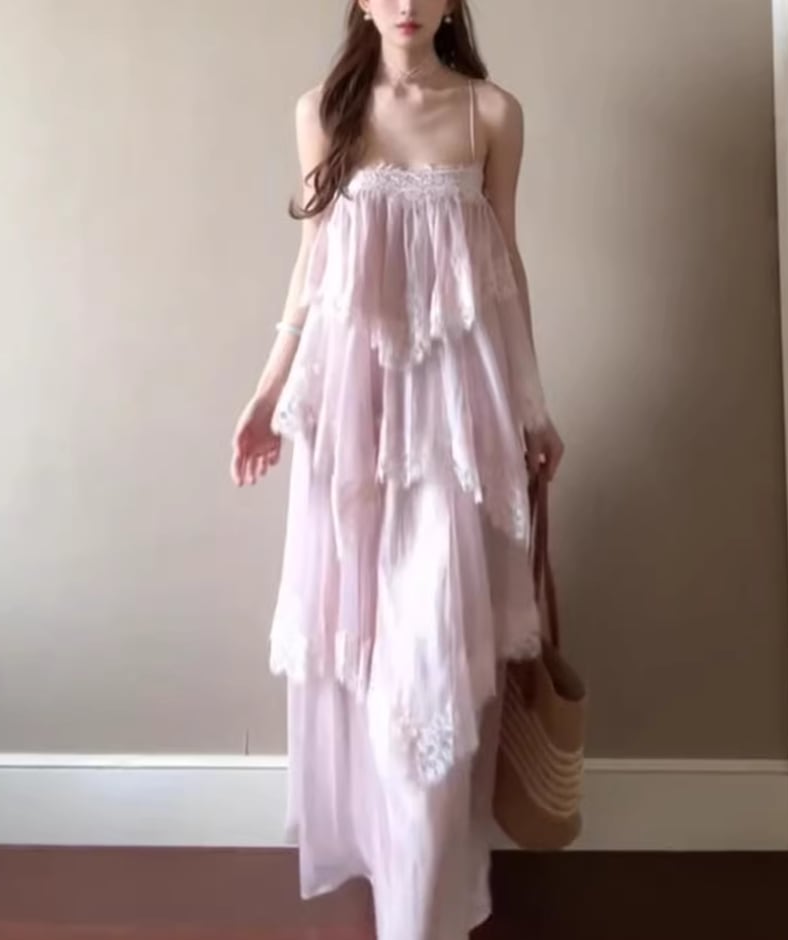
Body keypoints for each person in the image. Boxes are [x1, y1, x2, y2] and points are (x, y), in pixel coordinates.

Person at [230, 2, 565, 937]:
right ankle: (405, 889)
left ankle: (417, 918)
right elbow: (313, 265)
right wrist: (266, 392)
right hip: (349, 420)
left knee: (431, 671)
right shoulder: (323, 110)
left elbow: (504, 267)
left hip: (455, 424)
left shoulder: (490, 113)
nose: (407, 2)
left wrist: (532, 406)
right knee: (368, 662)